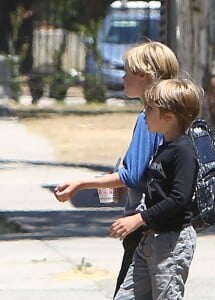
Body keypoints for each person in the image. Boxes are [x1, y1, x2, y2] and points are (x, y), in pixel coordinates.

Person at [53, 41, 179, 296]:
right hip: (155, 224)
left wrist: (81, 184)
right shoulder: (168, 117)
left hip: (142, 225)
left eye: (128, 71)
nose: (123, 77)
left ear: (144, 76)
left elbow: (132, 176)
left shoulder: (147, 119)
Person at [111, 78, 202, 300]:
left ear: (169, 117)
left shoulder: (183, 151)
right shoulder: (164, 146)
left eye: (150, 109)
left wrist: (138, 219)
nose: (145, 113)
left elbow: (178, 199)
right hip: (150, 238)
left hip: (171, 242)